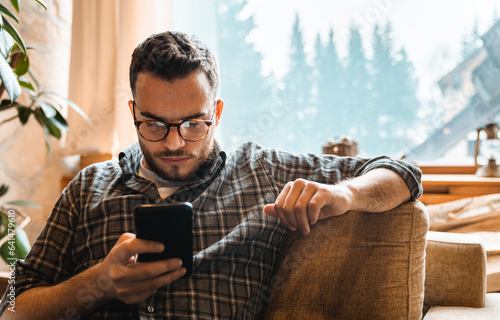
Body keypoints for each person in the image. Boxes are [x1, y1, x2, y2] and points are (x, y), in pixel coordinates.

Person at [0, 31, 422, 319]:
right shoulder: (88, 188)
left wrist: (344, 195)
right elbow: (13, 307)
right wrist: (99, 283)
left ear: (216, 113)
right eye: (154, 124)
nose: (174, 144)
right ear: (132, 113)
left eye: (193, 124)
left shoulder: (262, 172)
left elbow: (403, 173)